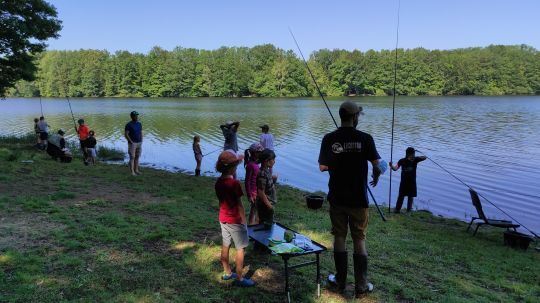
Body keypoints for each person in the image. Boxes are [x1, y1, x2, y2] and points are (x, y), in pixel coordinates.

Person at [318, 101, 383, 298]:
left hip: (337, 197)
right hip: (358, 199)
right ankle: (361, 286)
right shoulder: (366, 138)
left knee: (339, 236)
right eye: (358, 116)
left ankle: (340, 280)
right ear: (355, 117)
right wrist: (376, 176)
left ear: (341, 116)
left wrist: (338, 165)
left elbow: (322, 167)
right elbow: (377, 165)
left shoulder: (329, 138)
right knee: (359, 238)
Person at [214, 149, 255, 287]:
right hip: (236, 221)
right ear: (232, 168)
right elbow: (239, 205)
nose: (237, 168)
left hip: (223, 219)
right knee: (240, 249)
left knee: (226, 245)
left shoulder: (218, 182)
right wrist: (244, 222)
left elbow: (221, 201)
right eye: (236, 166)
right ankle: (240, 278)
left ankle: (227, 272)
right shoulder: (234, 184)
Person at [390, 147, 427, 213]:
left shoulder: (415, 159)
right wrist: (391, 165)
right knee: (401, 196)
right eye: (412, 154)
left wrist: (417, 156)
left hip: (412, 182)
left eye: (414, 154)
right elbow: (395, 169)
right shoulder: (402, 160)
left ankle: (408, 211)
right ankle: (397, 210)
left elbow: (425, 157)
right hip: (403, 182)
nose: (413, 155)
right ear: (408, 154)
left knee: (411, 196)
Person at [256, 149, 277, 227]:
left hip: (268, 204)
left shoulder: (266, 171)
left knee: (268, 225)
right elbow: (261, 192)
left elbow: (267, 187)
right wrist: (269, 206)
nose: (274, 161)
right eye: (273, 159)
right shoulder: (262, 174)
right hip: (265, 205)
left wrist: (273, 180)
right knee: (265, 226)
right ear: (266, 161)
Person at [244, 143, 264, 225]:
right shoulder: (250, 165)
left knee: (257, 210)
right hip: (253, 193)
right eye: (260, 153)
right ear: (255, 153)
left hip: (257, 192)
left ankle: (254, 225)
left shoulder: (255, 164)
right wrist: (249, 195)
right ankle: (251, 226)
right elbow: (247, 181)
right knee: (253, 210)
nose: (261, 154)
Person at [125, 111, 143, 176]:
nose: (136, 117)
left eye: (137, 115)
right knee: (132, 157)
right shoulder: (128, 125)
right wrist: (131, 142)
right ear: (132, 116)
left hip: (139, 143)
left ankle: (136, 170)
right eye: (135, 116)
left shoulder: (139, 124)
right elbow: (126, 134)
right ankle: (132, 172)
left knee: (137, 157)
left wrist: (141, 140)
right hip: (132, 143)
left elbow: (140, 132)